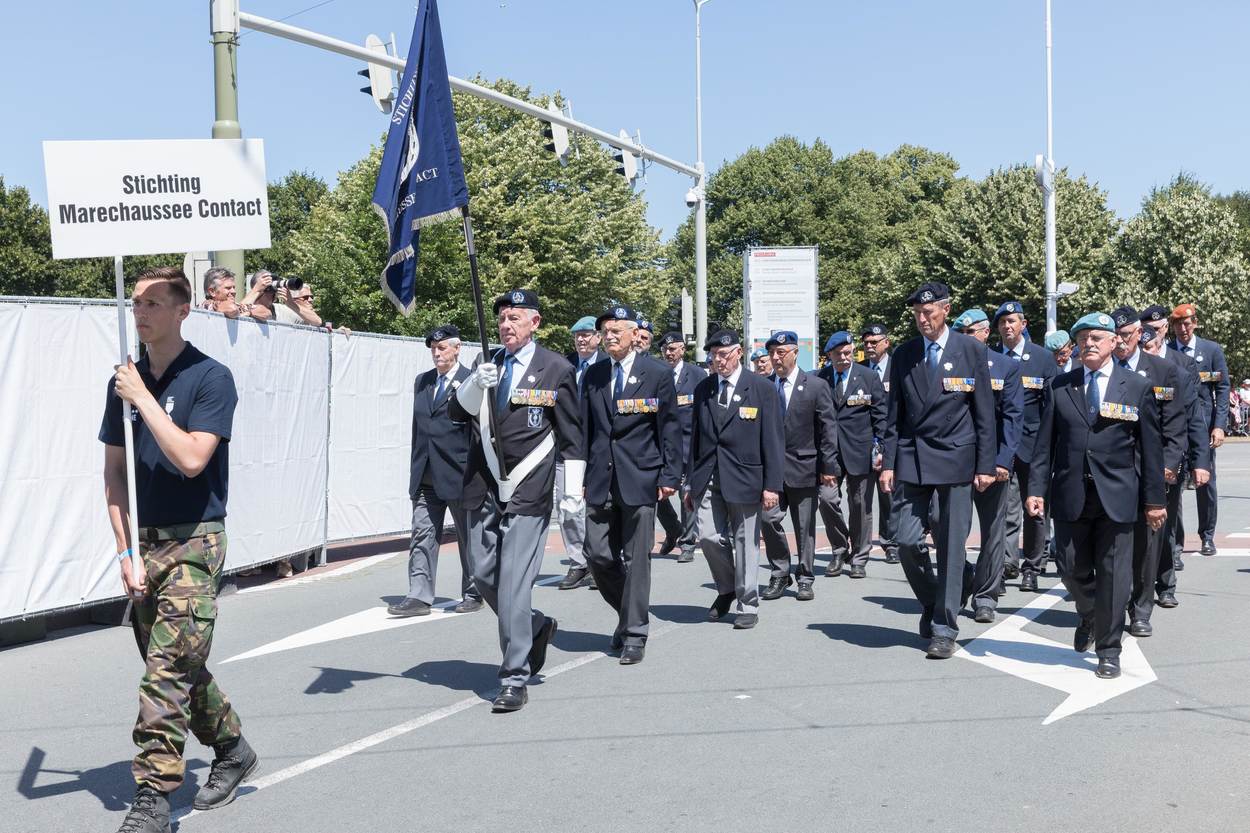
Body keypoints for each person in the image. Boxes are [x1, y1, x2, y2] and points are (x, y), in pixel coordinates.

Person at [100, 267, 257, 833]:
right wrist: (126, 555)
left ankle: (153, 798)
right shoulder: (125, 381)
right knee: (177, 662)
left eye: (153, 303)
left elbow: (192, 459)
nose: (140, 313)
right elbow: (114, 476)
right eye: (135, 303)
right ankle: (233, 748)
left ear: (182, 310)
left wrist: (143, 399)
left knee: (165, 672)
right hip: (145, 544)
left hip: (195, 540)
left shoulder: (210, 378)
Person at [450, 289, 583, 712]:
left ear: (535, 322)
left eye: (515, 318)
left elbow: (572, 436)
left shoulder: (556, 369)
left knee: (513, 586)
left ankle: (513, 676)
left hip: (530, 486)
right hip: (484, 482)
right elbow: (457, 413)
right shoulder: (486, 363)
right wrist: (475, 383)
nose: (506, 325)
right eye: (502, 319)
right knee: (482, 572)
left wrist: (572, 491)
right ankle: (534, 625)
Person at [1027, 312, 1165, 680]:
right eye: (1083, 338)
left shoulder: (1136, 387)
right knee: (1069, 567)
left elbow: (1151, 450)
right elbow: (1044, 445)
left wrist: (1155, 501)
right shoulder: (1061, 386)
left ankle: (1108, 649)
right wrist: (1036, 489)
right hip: (1071, 493)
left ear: (1113, 343)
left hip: (1118, 497)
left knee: (1115, 576)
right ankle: (1089, 611)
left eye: (1097, 338)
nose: (1089, 343)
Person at [879, 282, 996, 659]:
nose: (922, 319)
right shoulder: (905, 354)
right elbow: (894, 415)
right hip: (913, 457)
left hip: (956, 458)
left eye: (928, 312)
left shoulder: (971, 350)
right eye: (917, 313)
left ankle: (945, 627)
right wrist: (889, 462)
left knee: (950, 545)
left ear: (946, 310)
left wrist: (986, 464)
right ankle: (934, 598)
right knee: (905, 540)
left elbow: (984, 413)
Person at [580, 306, 682, 664]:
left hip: (641, 477)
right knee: (597, 555)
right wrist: (580, 476)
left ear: (634, 334)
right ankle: (628, 616)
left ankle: (635, 633)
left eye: (615, 330)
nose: (609, 336)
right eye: (605, 331)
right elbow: (586, 429)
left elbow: (670, 428)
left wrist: (670, 476)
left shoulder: (656, 373)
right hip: (600, 479)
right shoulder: (593, 375)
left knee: (637, 560)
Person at [686, 329, 784, 629]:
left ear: (738, 353)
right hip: (708, 474)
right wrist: (689, 482)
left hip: (745, 475)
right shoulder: (704, 389)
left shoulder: (761, 388)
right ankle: (727, 587)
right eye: (713, 355)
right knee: (707, 536)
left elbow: (773, 440)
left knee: (745, 542)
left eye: (724, 355)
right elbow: (696, 438)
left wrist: (772, 485)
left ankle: (747, 603)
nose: (719, 361)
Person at [388, 325, 482, 618]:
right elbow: (419, 428)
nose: (436, 353)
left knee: (469, 538)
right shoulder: (423, 381)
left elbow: (478, 430)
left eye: (442, 348)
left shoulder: (471, 381)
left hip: (460, 473)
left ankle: (474, 591)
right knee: (422, 535)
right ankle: (418, 596)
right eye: (433, 349)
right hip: (426, 473)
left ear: (457, 348)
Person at [1108, 307, 1185, 638]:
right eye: (1116, 336)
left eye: (1127, 335)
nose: (1121, 342)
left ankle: (1141, 609)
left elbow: (1175, 426)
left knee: (1147, 543)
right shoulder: (1103, 370)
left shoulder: (1163, 371)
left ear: (1140, 334)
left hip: (1150, 470)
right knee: (1113, 543)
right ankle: (1114, 602)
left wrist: (1167, 465)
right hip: (1112, 472)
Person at [759, 331, 839, 600]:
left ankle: (805, 578)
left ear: (795, 353)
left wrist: (828, 466)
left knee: (804, 526)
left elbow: (828, 429)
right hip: (771, 471)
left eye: (781, 352)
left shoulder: (815, 386)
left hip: (805, 467)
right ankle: (780, 573)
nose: (775, 358)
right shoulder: (764, 387)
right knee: (768, 519)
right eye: (772, 353)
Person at [954, 308, 1022, 623]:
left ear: (985, 333)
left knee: (993, 531)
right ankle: (963, 578)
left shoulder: (1005, 366)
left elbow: (1012, 417)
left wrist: (1004, 460)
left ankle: (985, 597)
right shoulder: (950, 365)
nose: (966, 338)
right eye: (961, 333)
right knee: (946, 527)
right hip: (955, 462)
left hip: (993, 462)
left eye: (972, 332)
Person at [1139, 304, 1209, 604]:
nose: (1151, 337)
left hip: (1169, 457)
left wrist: (1199, 461)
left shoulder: (1181, 367)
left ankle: (1166, 584)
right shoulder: (1128, 366)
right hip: (1134, 459)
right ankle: (1136, 587)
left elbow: (1193, 417)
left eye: (1156, 331)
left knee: (1165, 524)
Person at [993, 300, 1058, 593]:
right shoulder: (991, 358)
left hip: (1034, 446)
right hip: (1001, 446)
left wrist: (1050, 446)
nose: (1007, 326)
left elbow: (1051, 407)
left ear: (1023, 324)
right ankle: (1005, 565)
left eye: (1012, 321)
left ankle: (1031, 567)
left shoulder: (1042, 359)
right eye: (1002, 322)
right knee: (1002, 510)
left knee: (1034, 509)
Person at [817, 331, 887, 579]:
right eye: (839, 354)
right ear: (830, 355)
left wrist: (880, 448)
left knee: (860, 506)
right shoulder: (820, 378)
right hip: (829, 453)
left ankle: (859, 557)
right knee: (826, 499)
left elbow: (881, 415)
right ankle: (839, 549)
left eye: (848, 353)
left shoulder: (868, 376)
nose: (845, 358)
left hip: (860, 450)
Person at [1168, 303, 1229, 557]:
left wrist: (1219, 425)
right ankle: (1176, 542)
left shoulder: (1211, 350)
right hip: (1174, 427)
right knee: (1174, 484)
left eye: (1187, 323)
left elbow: (1222, 389)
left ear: (1195, 323)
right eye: (1178, 324)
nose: (1183, 329)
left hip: (1203, 427)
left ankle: (1207, 536)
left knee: (1205, 483)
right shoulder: (1167, 351)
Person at [553, 316, 603, 590]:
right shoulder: (565, 365)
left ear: (598, 338)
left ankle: (599, 561)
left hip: (599, 446)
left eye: (586, 335)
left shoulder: (608, 365)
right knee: (567, 505)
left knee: (598, 507)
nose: (581, 340)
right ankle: (578, 561)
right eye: (577, 336)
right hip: (569, 445)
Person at [655, 331, 707, 563]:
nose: (669, 353)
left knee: (687, 493)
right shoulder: (656, 373)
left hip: (687, 445)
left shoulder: (697, 375)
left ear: (683, 350)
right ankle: (673, 528)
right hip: (661, 446)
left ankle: (687, 543)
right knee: (655, 493)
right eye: (665, 349)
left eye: (673, 348)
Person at [861, 323, 898, 563]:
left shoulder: (898, 368)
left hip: (891, 440)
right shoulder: (859, 370)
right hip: (863, 442)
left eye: (874, 342)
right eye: (866, 343)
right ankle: (859, 545)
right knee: (861, 498)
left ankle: (891, 542)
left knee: (889, 493)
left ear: (886, 342)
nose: (870, 346)